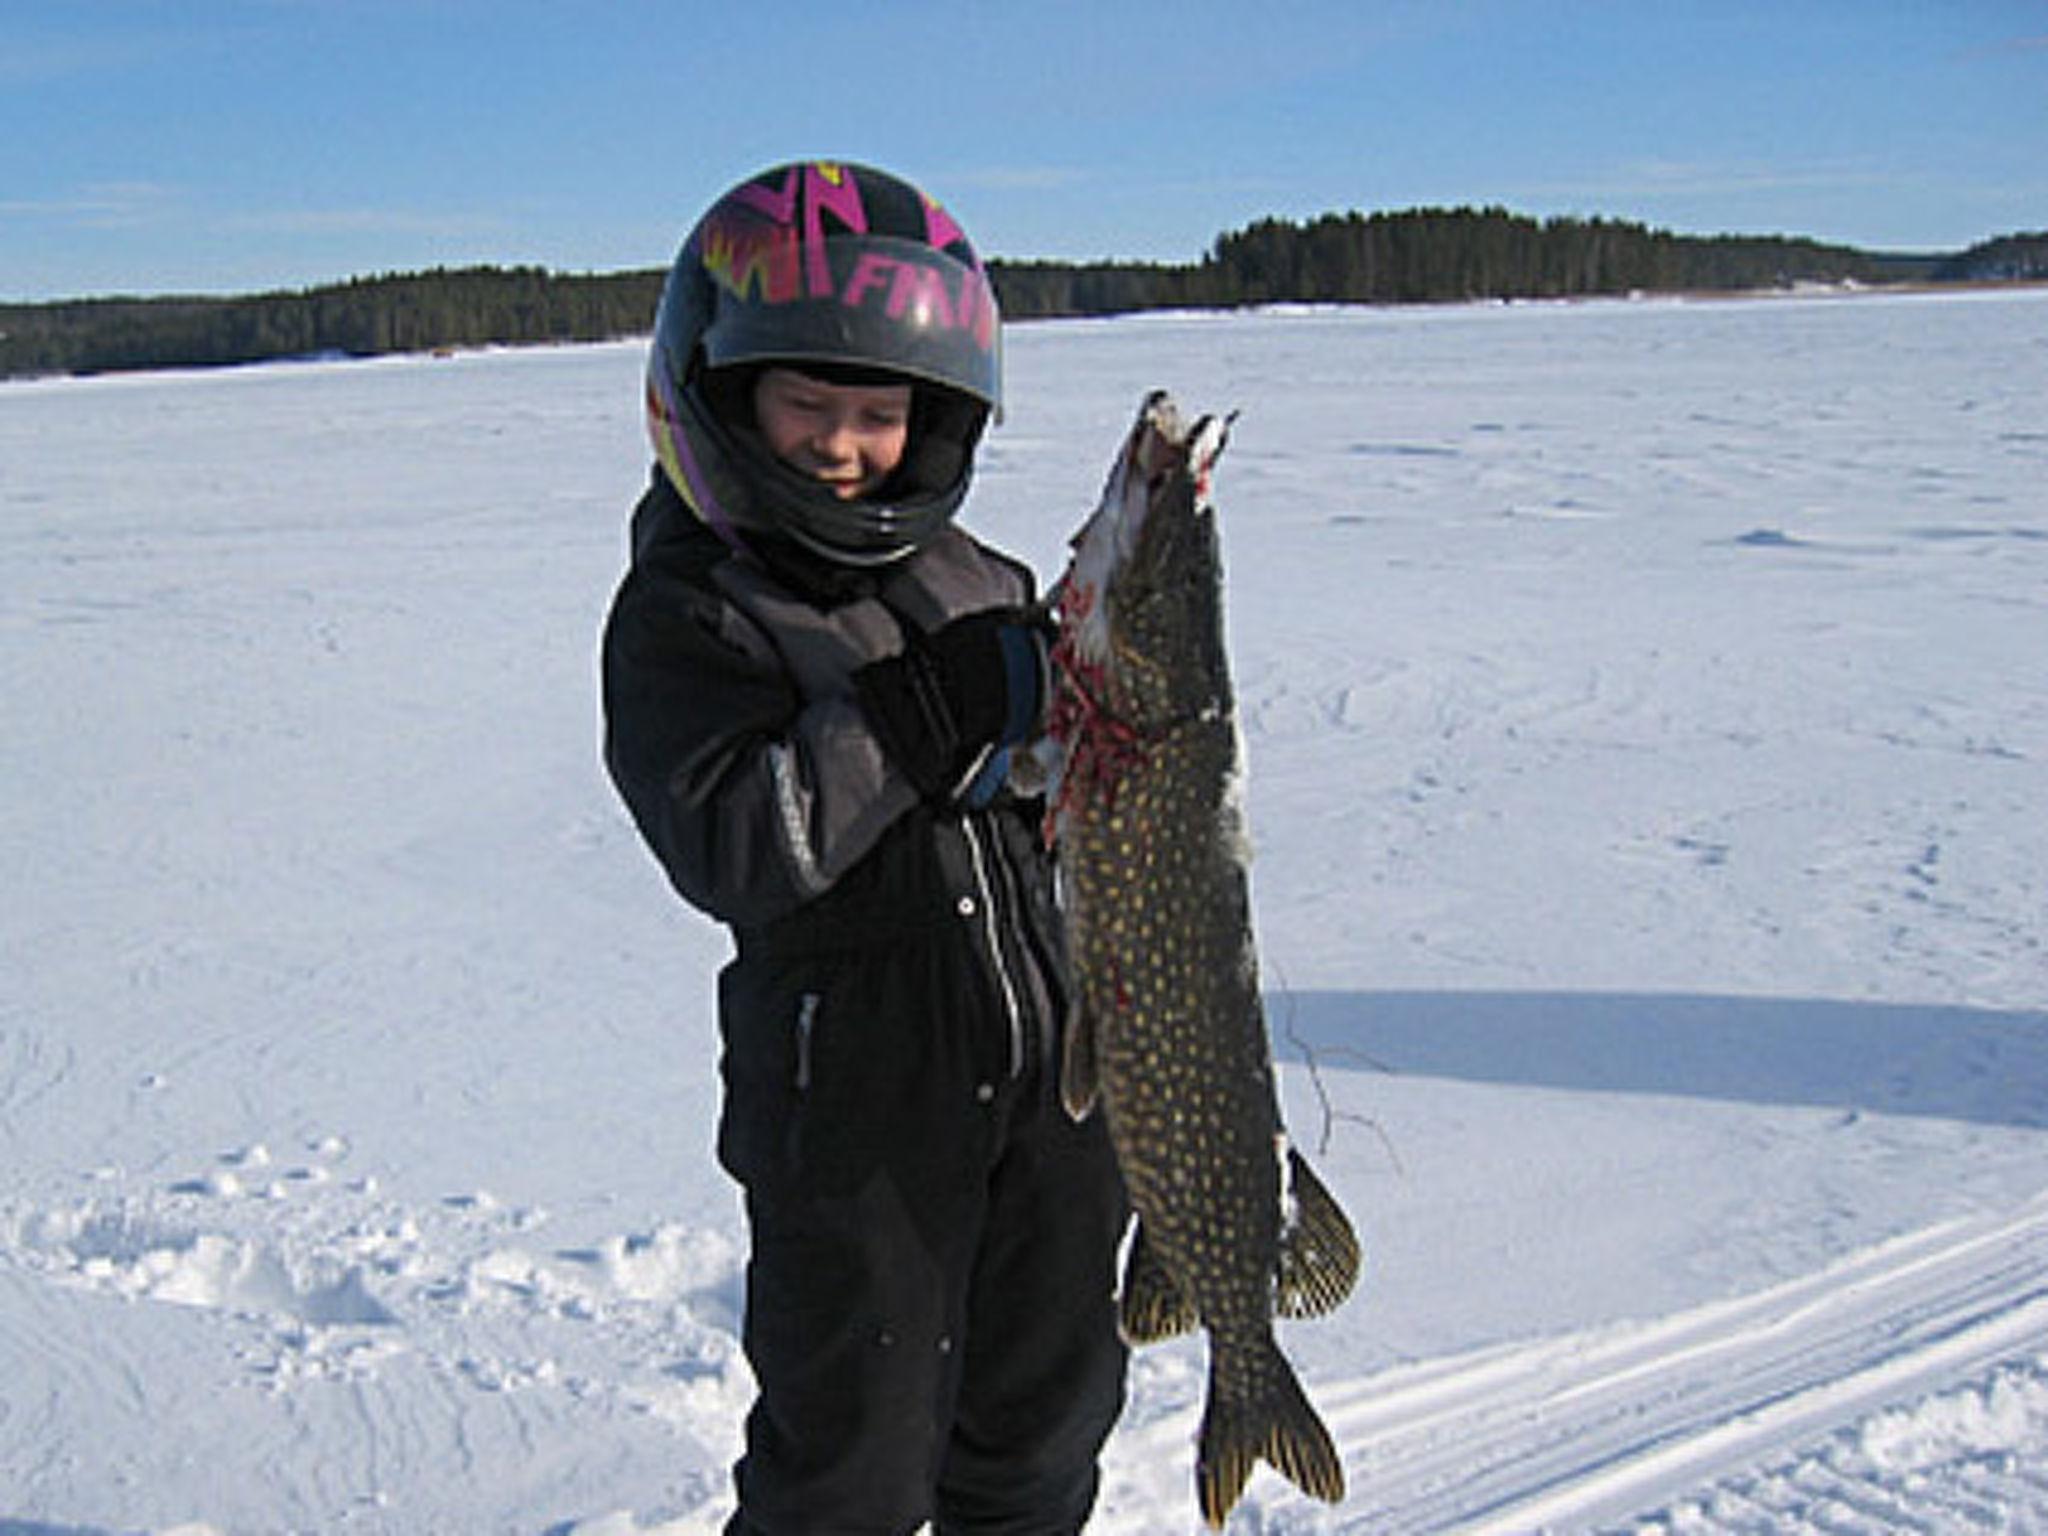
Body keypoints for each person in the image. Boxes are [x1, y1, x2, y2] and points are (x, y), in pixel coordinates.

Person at [601, 160, 1130, 1535]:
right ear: (719, 393)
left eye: (881, 414)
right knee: (849, 1466)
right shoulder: (695, 612)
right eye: (808, 407)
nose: (845, 446)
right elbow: (737, 841)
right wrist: (922, 711)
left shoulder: (974, 575)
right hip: (857, 1115)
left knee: (1042, 1430)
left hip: (1055, 1086)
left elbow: (1063, 803)